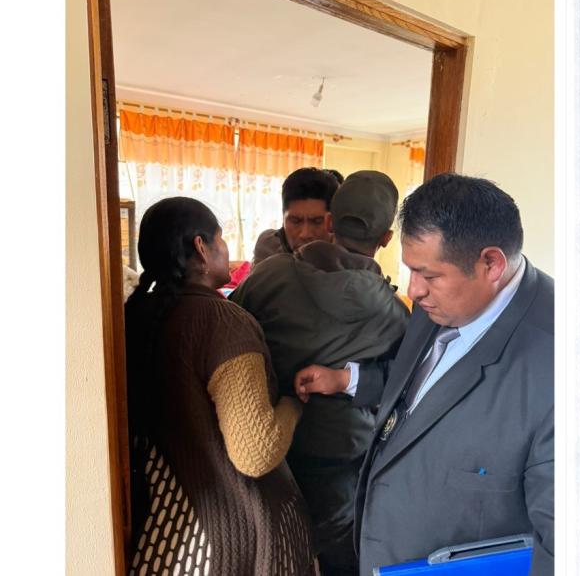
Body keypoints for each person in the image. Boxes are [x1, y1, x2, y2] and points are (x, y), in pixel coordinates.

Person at [295, 173, 555, 575]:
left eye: (429, 275)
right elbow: (424, 387)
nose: (414, 290)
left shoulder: (563, 368)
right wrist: (347, 380)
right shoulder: (441, 302)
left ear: (491, 264)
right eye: (411, 271)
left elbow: (564, 550)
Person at [230, 170, 409, 575]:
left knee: (274, 555)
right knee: (337, 560)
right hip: (345, 459)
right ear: (386, 238)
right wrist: (349, 380)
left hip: (271, 448)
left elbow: (227, 338)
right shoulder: (396, 317)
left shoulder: (268, 277)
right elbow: (406, 386)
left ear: (329, 221)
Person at [124, 197, 313, 575]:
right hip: (228, 541)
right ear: (201, 247)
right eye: (221, 238)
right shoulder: (222, 323)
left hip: (158, 537)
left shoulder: (133, 315)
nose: (226, 249)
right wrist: (295, 402)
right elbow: (255, 452)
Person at [252, 167, 343, 265]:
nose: (305, 234)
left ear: (332, 221)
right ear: (283, 217)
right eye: (295, 221)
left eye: (317, 222)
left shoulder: (346, 254)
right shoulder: (268, 245)